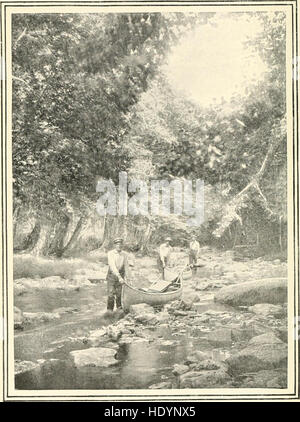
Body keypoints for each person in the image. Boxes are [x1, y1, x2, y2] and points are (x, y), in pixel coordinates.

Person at [106, 237, 130, 312]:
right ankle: (109, 311)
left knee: (119, 294)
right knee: (111, 294)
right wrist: (119, 276)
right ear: (115, 245)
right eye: (117, 244)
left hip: (121, 275)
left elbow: (126, 266)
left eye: (120, 244)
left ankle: (119, 311)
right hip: (112, 276)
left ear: (122, 245)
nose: (119, 246)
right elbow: (112, 266)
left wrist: (129, 277)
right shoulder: (110, 253)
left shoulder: (125, 254)